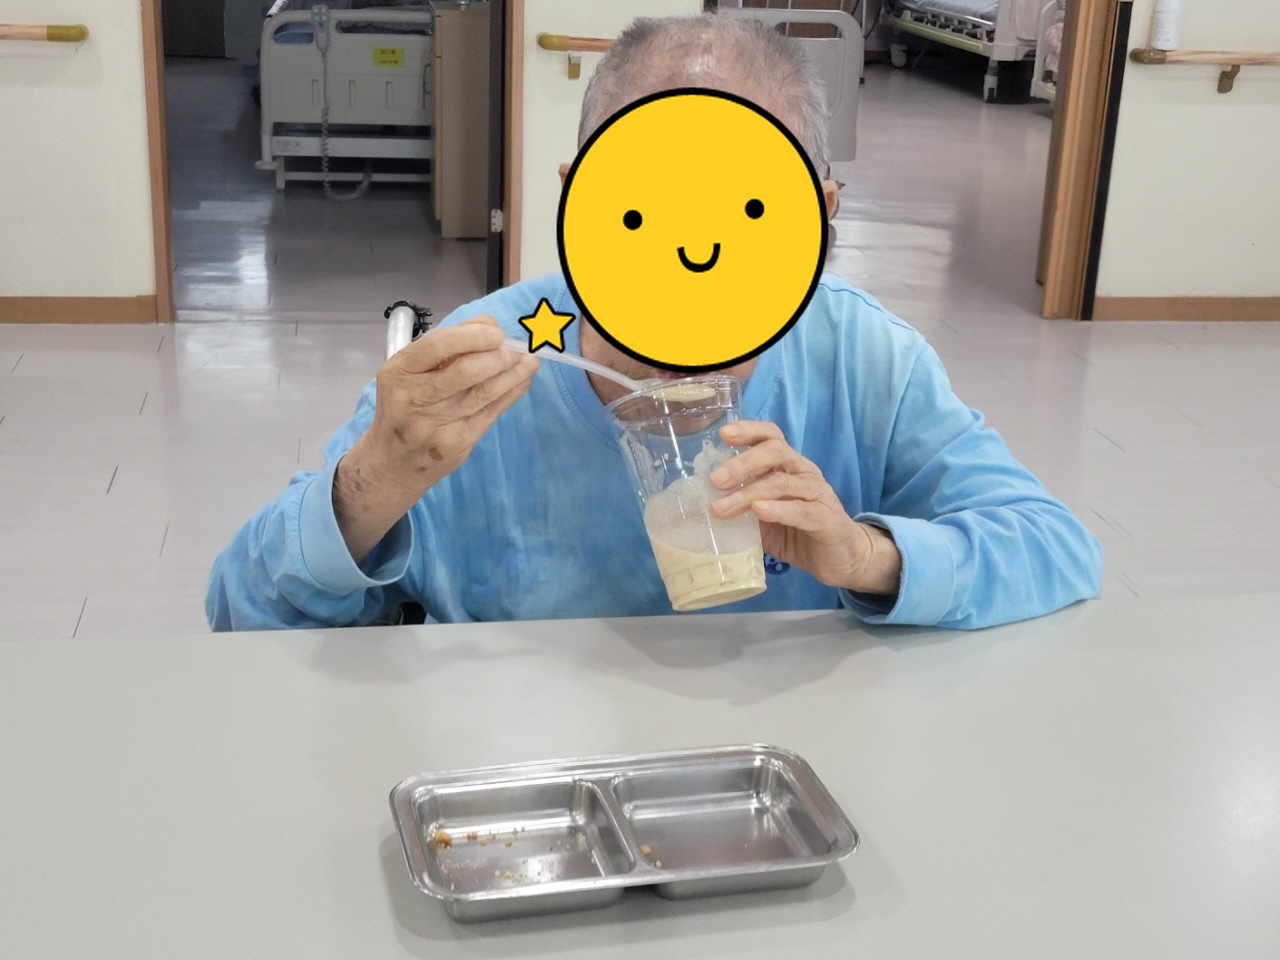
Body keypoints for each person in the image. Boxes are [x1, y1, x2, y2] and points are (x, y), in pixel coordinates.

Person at [207, 14, 1102, 632]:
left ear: (819, 219)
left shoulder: (861, 357)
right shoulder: (478, 370)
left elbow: (1057, 548)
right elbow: (242, 612)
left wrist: (867, 556)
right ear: (580, 201)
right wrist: (369, 486)